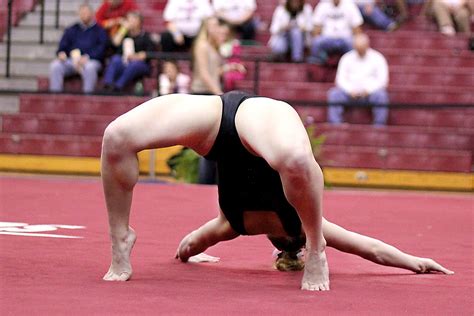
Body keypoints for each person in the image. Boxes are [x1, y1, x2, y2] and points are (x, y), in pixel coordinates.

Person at [100, 90, 453, 291]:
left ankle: (319, 256)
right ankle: (121, 238)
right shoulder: (282, 224)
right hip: (247, 117)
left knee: (293, 157)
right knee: (117, 137)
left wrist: (191, 255)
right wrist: (414, 263)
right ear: (289, 246)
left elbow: (189, 246)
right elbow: (372, 249)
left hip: (220, 123)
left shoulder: (232, 225)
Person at [327, 33, 389, 125]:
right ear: (354, 46)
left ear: (367, 45)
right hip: (349, 93)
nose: (360, 51)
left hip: (370, 94)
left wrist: (369, 90)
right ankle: (335, 125)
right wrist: (350, 90)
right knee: (334, 94)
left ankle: (379, 126)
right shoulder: (346, 58)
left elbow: (383, 81)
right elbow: (340, 79)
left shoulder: (378, 58)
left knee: (381, 96)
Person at [49, 4, 108, 94]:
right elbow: (62, 46)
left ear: (92, 14)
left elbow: (102, 49)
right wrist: (61, 53)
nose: (84, 15)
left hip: (90, 60)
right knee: (55, 66)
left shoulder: (99, 30)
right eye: (82, 13)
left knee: (90, 67)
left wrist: (87, 57)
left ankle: (87, 97)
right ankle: (55, 95)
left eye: (86, 13)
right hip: (72, 60)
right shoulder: (72, 29)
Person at [102, 11, 156, 92]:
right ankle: (107, 85)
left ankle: (118, 86)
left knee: (134, 64)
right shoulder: (124, 34)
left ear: (139, 21)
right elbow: (115, 43)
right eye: (128, 19)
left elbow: (148, 53)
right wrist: (123, 29)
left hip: (140, 64)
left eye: (132, 19)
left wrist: (135, 56)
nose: (130, 21)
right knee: (115, 59)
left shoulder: (145, 36)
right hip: (124, 61)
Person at [308, 0, 363, 65]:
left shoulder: (350, 4)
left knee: (353, 42)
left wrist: (357, 40)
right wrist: (315, 37)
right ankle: (319, 64)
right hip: (327, 39)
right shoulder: (323, 5)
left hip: (345, 39)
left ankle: (352, 65)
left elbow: (357, 27)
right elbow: (316, 26)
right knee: (316, 42)